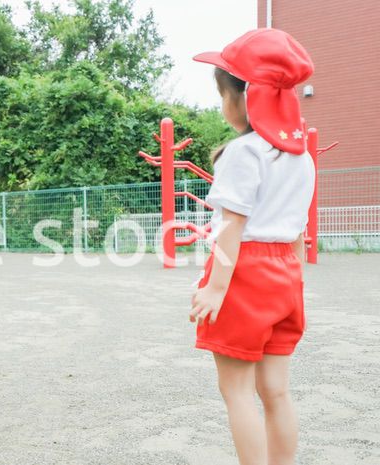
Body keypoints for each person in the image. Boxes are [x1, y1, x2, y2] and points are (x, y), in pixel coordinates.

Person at [189, 29, 315, 465]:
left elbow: (232, 226)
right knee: (276, 391)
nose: (223, 105)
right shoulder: (302, 157)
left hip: (244, 272)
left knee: (237, 391)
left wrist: (217, 288)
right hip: (285, 273)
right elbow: (297, 230)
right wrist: (295, 281)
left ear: (244, 99)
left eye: (223, 95)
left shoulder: (243, 153)